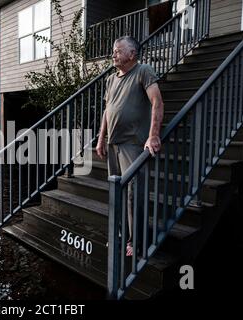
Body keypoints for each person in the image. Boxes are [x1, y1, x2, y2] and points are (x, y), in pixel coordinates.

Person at [96, 36, 164, 256]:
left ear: (132, 54)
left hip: (133, 144)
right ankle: (119, 236)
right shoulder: (111, 79)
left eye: (118, 50)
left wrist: (153, 135)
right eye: (113, 50)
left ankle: (135, 242)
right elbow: (107, 110)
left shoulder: (143, 71)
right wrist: (100, 138)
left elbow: (157, 102)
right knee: (116, 194)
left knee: (134, 196)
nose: (113, 54)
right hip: (113, 145)